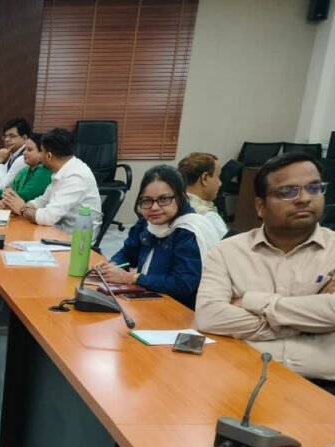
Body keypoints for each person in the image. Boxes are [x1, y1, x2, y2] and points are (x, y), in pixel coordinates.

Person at [196, 153, 335, 389]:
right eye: (288, 191)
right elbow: (209, 316)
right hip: (242, 378)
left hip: (325, 386)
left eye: (313, 188)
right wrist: (310, 320)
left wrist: (251, 301)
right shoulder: (227, 252)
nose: (304, 199)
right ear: (261, 206)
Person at [99, 165, 219, 308]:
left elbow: (182, 285)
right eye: (147, 200)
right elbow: (128, 253)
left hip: (179, 308)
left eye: (164, 199)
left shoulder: (189, 231)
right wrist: (112, 266)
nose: (154, 208)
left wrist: (130, 278)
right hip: (147, 297)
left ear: (180, 197)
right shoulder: (146, 223)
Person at [1, 128, 103, 235]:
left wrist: (22, 209)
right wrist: (16, 205)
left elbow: (49, 217)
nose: (40, 156)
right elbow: (43, 201)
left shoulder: (76, 176)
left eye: (42, 151)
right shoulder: (63, 170)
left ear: (49, 156)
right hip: (58, 231)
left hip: (75, 240)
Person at [178, 151, 227, 239]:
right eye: (218, 176)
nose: (220, 183)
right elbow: (228, 246)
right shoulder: (209, 218)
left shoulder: (169, 207)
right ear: (205, 178)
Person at [0, 117, 31, 193]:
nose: (6, 140)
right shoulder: (13, 155)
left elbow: (0, 188)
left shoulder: (23, 158)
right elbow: (2, 179)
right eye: (5, 136)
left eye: (12, 136)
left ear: (24, 138)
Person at [8, 135, 52, 202]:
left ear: (42, 153)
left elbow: (26, 195)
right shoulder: (25, 170)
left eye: (29, 150)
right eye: (24, 149)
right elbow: (9, 189)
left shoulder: (45, 171)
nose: (24, 153)